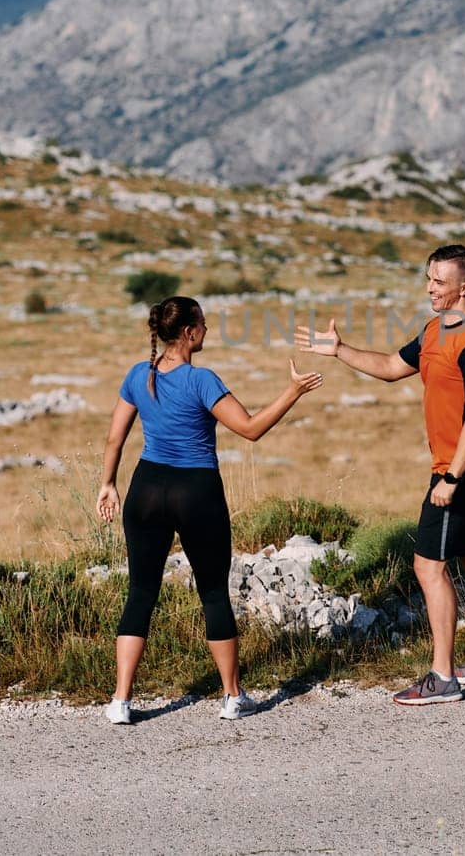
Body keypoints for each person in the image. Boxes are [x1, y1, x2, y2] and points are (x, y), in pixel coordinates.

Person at [296, 243, 465, 705]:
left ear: (463, 287)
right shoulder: (434, 331)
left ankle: (442, 676)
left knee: (428, 565)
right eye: (428, 278)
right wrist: (340, 351)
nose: (430, 287)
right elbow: (393, 367)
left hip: (463, 466)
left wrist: (451, 479)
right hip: (460, 464)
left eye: (439, 281)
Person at [97, 295, 323, 723]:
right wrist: (293, 390)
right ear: (188, 332)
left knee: (141, 593)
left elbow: (114, 439)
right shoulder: (202, 381)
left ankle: (120, 701)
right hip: (196, 490)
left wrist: (108, 485)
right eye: (203, 323)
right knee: (214, 591)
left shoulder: (137, 375)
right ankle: (233, 697)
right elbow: (252, 429)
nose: (207, 330)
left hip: (146, 488)